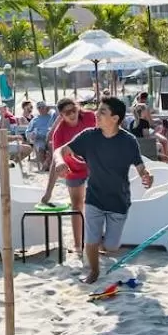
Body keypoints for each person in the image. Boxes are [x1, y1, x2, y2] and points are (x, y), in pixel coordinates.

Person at [60, 97, 152, 284]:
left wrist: (146, 176)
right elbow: (61, 150)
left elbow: (140, 166)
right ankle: (94, 271)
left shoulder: (128, 141)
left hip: (119, 201)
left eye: (102, 111)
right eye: (97, 110)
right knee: (91, 238)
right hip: (94, 197)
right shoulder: (88, 136)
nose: (96, 114)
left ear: (115, 118)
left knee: (111, 246)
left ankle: (99, 243)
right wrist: (60, 161)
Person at [42, 98, 97, 250]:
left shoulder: (90, 117)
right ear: (61, 115)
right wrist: (48, 192)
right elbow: (55, 161)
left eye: (74, 110)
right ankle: (78, 245)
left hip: (95, 166)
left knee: (97, 203)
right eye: (67, 112)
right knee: (77, 205)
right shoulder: (59, 133)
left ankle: (97, 241)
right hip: (74, 169)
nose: (72, 114)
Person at [26, 101, 56, 168]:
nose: (41, 109)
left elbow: (59, 109)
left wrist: (51, 107)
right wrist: (31, 135)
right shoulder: (34, 120)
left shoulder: (52, 116)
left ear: (46, 107)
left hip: (51, 137)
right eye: (39, 108)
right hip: (39, 138)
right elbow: (27, 132)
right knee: (40, 148)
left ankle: (49, 162)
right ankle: (45, 166)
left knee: (52, 145)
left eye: (43, 107)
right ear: (37, 109)